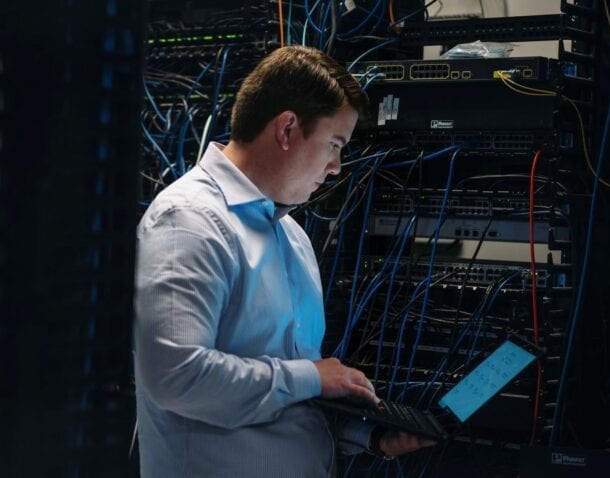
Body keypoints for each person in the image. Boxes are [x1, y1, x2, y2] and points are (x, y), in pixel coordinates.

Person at [133, 45, 435, 477]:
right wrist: (312, 377)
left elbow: (286, 397)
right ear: (288, 128)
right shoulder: (188, 221)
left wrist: (369, 436)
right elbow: (179, 377)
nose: (336, 167)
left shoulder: (291, 235)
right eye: (334, 144)